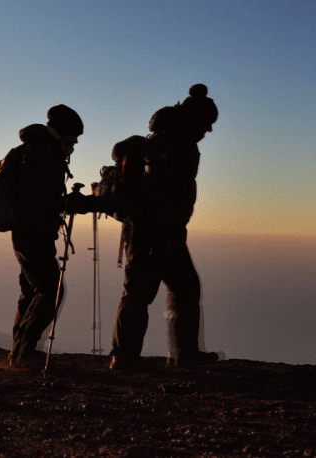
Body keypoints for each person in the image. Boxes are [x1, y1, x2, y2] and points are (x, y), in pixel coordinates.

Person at [108, 84, 221, 369]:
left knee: (185, 289)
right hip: (151, 234)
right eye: (205, 124)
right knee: (139, 295)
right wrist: (163, 232)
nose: (208, 130)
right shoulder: (164, 149)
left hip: (168, 233)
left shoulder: (177, 146)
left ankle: (185, 354)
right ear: (192, 121)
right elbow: (159, 196)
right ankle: (124, 359)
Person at [3, 105, 85, 369]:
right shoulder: (42, 154)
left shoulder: (36, 150)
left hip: (29, 232)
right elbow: (37, 199)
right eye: (72, 139)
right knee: (50, 289)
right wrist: (63, 204)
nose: (73, 146)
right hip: (33, 233)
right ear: (61, 133)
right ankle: (24, 352)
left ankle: (18, 352)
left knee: (31, 291)